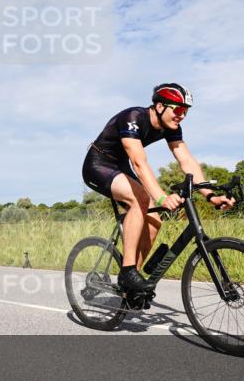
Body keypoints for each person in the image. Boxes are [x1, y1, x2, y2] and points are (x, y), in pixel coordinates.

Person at [82, 83, 234, 294]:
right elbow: (139, 163)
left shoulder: (171, 127)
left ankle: (131, 280)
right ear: (160, 106)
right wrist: (161, 198)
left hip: (121, 167)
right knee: (141, 201)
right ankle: (127, 271)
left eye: (186, 111)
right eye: (178, 109)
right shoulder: (133, 117)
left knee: (154, 221)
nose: (182, 116)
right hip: (98, 165)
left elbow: (187, 160)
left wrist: (211, 196)